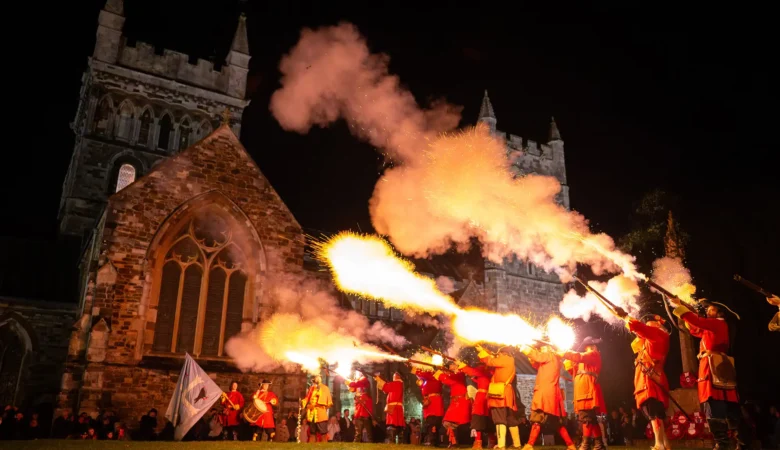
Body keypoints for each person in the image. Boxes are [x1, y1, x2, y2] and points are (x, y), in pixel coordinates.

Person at [670, 297, 743, 449]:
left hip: (712, 369)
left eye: (712, 309)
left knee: (714, 407)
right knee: (727, 408)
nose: (708, 310)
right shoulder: (715, 325)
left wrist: (680, 307)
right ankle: (737, 443)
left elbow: (697, 322)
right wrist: (685, 309)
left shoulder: (718, 323)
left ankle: (723, 444)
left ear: (720, 312)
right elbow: (694, 328)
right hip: (718, 368)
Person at [624, 314, 671, 450]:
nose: (649, 326)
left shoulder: (659, 336)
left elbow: (642, 330)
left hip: (651, 381)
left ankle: (659, 444)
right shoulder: (646, 342)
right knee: (655, 413)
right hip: (646, 382)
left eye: (651, 324)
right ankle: (665, 444)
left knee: (654, 414)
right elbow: (640, 335)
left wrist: (626, 317)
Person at [518, 342, 576, 450]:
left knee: (537, 419)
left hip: (544, 394)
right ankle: (571, 445)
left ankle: (530, 445)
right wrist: (530, 353)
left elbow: (537, 356)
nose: (541, 350)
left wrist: (525, 347)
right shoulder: (554, 359)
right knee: (558, 424)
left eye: (542, 348)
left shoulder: (549, 355)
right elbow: (536, 363)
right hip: (553, 396)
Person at [561, 336, 607, 450]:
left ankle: (586, 445)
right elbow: (572, 370)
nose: (591, 348)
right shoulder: (584, 360)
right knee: (590, 419)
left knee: (586, 418)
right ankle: (598, 445)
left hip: (588, 390)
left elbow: (579, 356)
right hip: (582, 391)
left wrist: (565, 353)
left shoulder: (593, 354)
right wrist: (566, 358)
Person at [477, 344, 523, 449]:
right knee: (510, 419)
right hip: (507, 393)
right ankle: (517, 444)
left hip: (500, 394)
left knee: (499, 419)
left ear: (503, 353)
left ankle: (501, 445)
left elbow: (490, 362)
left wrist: (482, 351)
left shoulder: (505, 359)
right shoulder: (509, 360)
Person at [435, 362, 472, 447]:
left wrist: (440, 374)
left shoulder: (459, 373)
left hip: (460, 401)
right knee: (449, 422)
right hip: (456, 401)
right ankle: (453, 442)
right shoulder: (454, 374)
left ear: (456, 365)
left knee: (450, 421)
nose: (450, 366)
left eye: (452, 364)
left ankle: (454, 443)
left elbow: (448, 380)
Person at [460, 361, 494, 449]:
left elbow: (473, 372)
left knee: (477, 420)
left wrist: (463, 366)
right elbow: (476, 377)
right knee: (488, 422)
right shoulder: (489, 372)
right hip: (489, 398)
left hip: (481, 397)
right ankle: (492, 442)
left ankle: (478, 443)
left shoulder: (482, 370)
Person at [412, 366, 445, 446]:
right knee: (431, 422)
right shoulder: (428, 378)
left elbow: (423, 375)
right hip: (430, 401)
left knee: (433, 422)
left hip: (434, 401)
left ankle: (433, 440)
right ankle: (433, 440)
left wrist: (414, 369)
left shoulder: (433, 375)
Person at [375, 371, 405, 444]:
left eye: (394, 375)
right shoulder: (398, 384)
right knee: (397, 424)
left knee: (392, 424)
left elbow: (386, 387)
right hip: (395, 407)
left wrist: (379, 380)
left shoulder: (397, 383)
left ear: (398, 376)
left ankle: (391, 440)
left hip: (394, 408)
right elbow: (386, 389)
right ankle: (397, 440)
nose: (393, 377)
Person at [302, 374, 333, 443]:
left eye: (318, 377)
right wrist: (304, 403)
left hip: (320, 413)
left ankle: (324, 446)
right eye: (315, 377)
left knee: (323, 433)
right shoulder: (311, 388)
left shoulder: (325, 388)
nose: (317, 378)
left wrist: (319, 406)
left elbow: (328, 402)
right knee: (312, 432)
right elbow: (307, 398)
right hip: (312, 413)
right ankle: (312, 446)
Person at [346, 371, 373, 442]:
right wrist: (348, 384)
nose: (356, 374)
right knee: (358, 426)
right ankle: (357, 440)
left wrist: (350, 383)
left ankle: (370, 440)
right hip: (359, 403)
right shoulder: (358, 381)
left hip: (364, 402)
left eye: (357, 373)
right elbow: (353, 389)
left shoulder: (364, 379)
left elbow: (356, 384)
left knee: (368, 428)